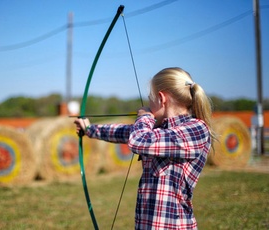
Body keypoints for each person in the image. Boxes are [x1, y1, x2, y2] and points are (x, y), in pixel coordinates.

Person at [74, 67, 215, 229]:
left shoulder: (196, 129)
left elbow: (138, 141)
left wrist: (145, 117)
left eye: (150, 99)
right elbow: (125, 132)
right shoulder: (159, 130)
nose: (148, 104)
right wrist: (89, 129)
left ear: (161, 98)